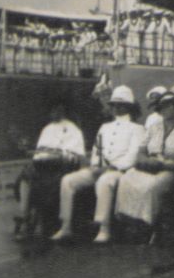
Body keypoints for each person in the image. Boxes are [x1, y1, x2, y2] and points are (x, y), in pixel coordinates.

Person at [50, 87, 144, 243]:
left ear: (129, 106)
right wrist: (95, 165)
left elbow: (133, 155)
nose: (116, 108)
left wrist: (112, 168)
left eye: (121, 105)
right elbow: (97, 150)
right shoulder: (105, 127)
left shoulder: (137, 129)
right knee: (68, 180)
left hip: (121, 172)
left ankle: (103, 228)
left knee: (104, 181)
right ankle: (66, 226)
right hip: (100, 168)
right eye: (113, 105)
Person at [115, 92, 174, 243]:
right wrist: (146, 160)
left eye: (168, 106)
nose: (164, 110)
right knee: (126, 179)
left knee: (152, 186)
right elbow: (141, 151)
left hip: (170, 169)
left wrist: (166, 163)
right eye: (162, 107)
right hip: (149, 166)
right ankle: (129, 221)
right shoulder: (153, 127)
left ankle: (146, 224)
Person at [15, 101, 86, 240]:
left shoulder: (73, 129)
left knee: (33, 174)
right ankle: (24, 215)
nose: (53, 113)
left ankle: (32, 219)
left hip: (63, 167)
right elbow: (39, 152)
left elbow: (75, 155)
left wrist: (55, 155)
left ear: (62, 109)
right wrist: (40, 156)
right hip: (44, 166)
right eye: (51, 110)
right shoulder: (47, 129)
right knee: (26, 174)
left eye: (56, 109)